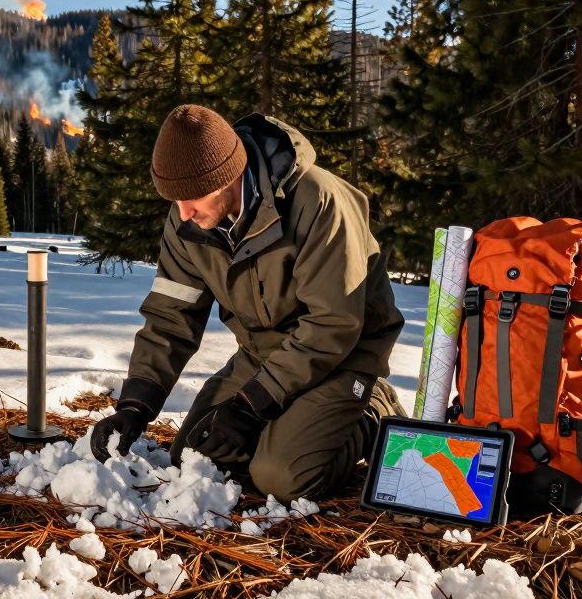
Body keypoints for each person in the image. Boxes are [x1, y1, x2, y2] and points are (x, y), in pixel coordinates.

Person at [89, 104, 407, 502]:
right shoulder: (188, 218)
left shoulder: (319, 202)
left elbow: (332, 325)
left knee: (282, 478)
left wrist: (249, 406)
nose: (184, 213)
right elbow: (171, 316)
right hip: (263, 357)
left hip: (344, 357)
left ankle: (372, 411)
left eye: (193, 199)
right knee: (193, 456)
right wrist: (136, 404)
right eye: (174, 200)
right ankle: (286, 424)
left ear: (228, 177)